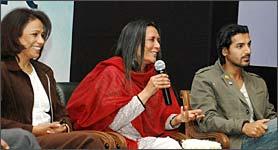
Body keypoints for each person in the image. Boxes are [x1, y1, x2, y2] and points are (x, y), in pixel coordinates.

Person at [66, 19, 205, 149]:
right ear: (134, 43)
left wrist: (177, 119)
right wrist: (147, 92)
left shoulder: (154, 74)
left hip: (146, 141)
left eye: (158, 40)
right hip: (119, 141)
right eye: (152, 40)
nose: (157, 46)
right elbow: (113, 124)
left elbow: (157, 121)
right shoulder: (113, 73)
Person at [1, 8, 104, 149]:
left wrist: (63, 127)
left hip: (51, 137)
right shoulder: (3, 70)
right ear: (15, 36)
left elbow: (62, 113)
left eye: (43, 35)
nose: (41, 41)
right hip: (25, 139)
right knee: (90, 141)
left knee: (95, 139)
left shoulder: (44, 72)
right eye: (35, 34)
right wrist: (34, 130)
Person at [190, 24, 277, 149]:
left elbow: (270, 116)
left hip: (264, 138)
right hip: (235, 142)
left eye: (249, 44)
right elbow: (208, 120)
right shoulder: (205, 78)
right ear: (225, 51)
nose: (248, 51)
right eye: (240, 46)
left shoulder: (257, 82)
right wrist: (243, 126)